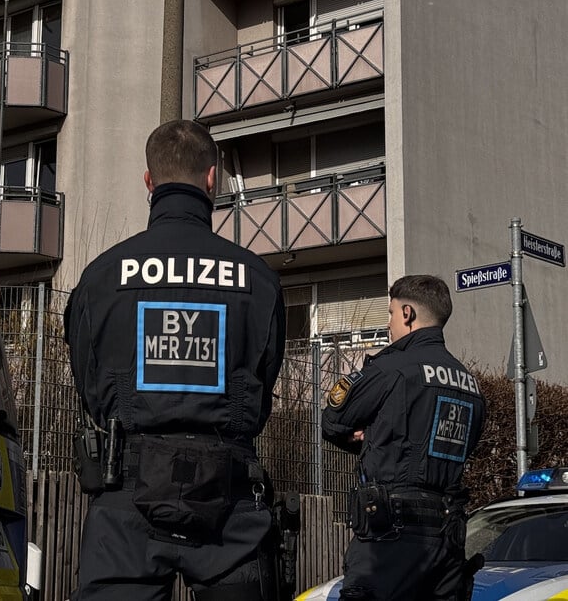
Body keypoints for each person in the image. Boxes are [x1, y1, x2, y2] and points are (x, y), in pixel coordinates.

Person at [64, 119, 286, 601]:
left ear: (149, 181)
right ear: (212, 180)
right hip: (230, 504)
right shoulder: (258, 280)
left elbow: (89, 382)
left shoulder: (100, 278)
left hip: (126, 496)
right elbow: (264, 382)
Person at [321, 274, 486, 601]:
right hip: (448, 538)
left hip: (391, 535)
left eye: (391, 313)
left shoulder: (392, 368)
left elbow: (333, 421)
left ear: (407, 314)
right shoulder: (471, 385)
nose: (389, 324)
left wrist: (369, 438)